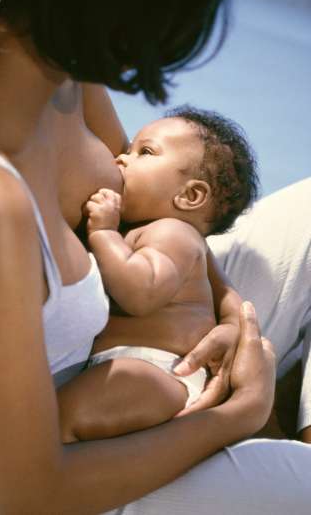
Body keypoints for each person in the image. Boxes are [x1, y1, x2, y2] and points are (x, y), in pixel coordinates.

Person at [0, 0, 310, 515]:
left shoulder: (48, 46)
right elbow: (34, 494)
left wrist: (233, 310)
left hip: (140, 349)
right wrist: (238, 414)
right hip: (40, 475)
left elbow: (165, 207)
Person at [57, 105, 259, 441]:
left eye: (145, 152)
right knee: (66, 414)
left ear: (190, 195)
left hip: (159, 372)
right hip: (130, 369)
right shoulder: (149, 231)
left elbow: (142, 293)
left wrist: (104, 234)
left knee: (62, 415)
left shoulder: (173, 234)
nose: (121, 159)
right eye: (128, 149)